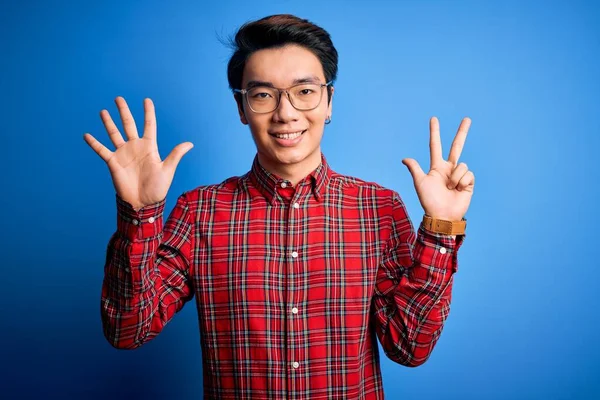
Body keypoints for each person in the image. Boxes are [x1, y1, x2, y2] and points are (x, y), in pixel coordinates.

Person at [83, 13, 474, 400]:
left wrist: (442, 228)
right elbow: (128, 330)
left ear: (329, 101)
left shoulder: (378, 208)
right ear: (241, 108)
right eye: (263, 95)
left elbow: (409, 347)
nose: (285, 113)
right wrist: (140, 214)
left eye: (305, 91)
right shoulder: (199, 211)